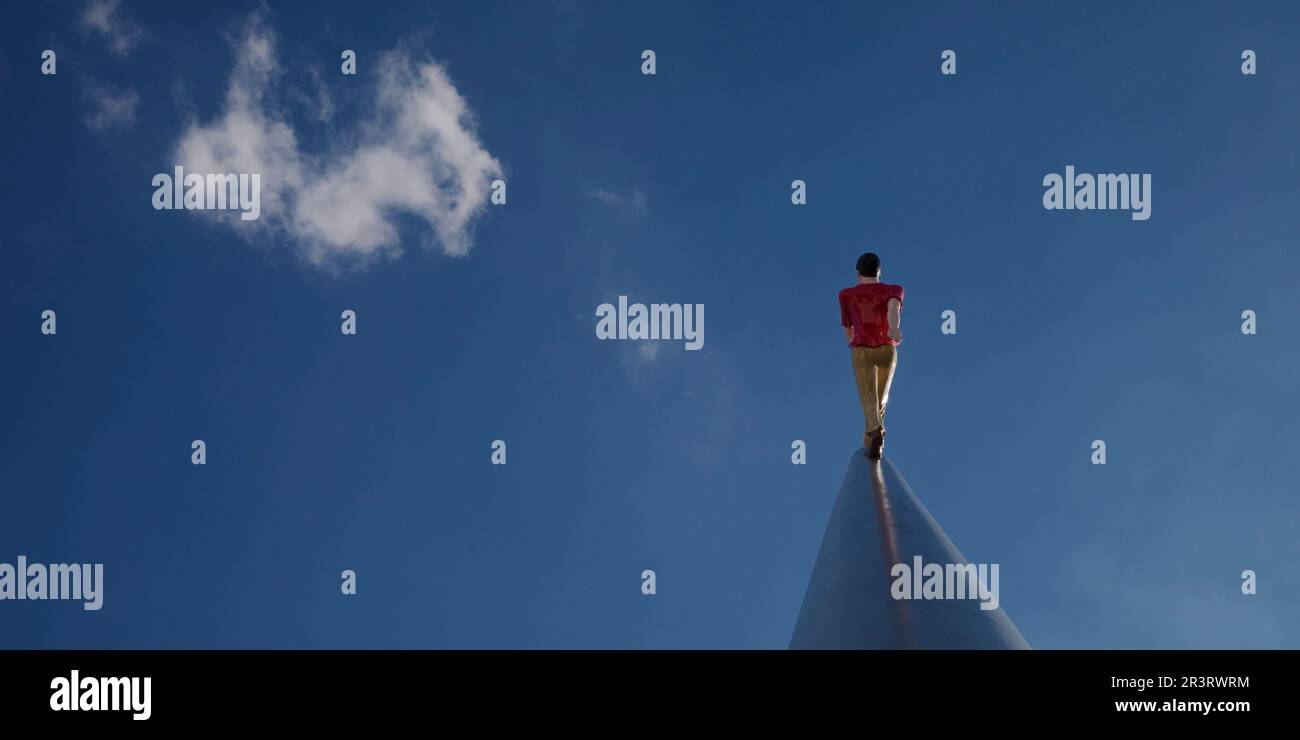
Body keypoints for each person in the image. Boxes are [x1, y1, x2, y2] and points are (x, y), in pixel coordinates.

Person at [838, 252, 903, 459]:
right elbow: (893, 307)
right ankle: (874, 445)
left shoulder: (847, 294)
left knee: (869, 399)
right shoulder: (894, 289)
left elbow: (848, 327)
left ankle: (875, 431)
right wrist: (893, 329)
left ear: (858, 274)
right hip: (887, 348)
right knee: (881, 401)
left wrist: (852, 340)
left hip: (862, 350)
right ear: (879, 271)